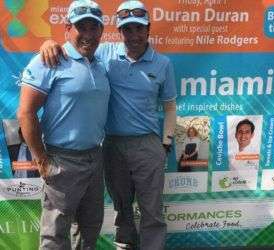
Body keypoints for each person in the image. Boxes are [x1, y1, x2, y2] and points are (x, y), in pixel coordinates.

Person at [39, 1, 177, 249]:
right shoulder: (105, 53)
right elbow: (74, 49)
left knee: (152, 209)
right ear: (119, 31)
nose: (133, 35)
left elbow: (169, 106)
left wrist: (166, 142)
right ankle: (124, 245)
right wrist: (49, 44)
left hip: (148, 144)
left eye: (139, 28)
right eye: (127, 29)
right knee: (121, 207)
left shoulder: (163, 63)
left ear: (149, 29)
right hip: (111, 145)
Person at [17, 0, 110, 249]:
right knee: (55, 235)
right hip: (62, 160)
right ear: (68, 28)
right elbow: (26, 113)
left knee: (90, 227)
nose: (89, 34)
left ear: (101, 31)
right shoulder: (49, 60)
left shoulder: (101, 63)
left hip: (95, 157)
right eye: (82, 27)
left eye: (94, 28)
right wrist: (40, 158)